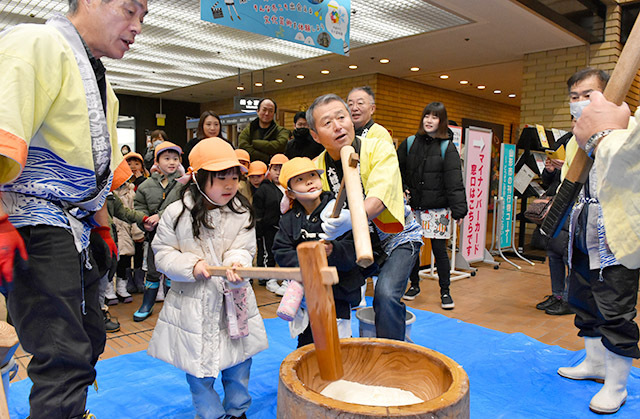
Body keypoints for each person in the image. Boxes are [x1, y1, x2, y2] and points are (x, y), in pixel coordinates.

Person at [0, 0, 148, 416]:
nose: (137, 26)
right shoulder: (33, 43)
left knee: (89, 337)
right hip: (29, 219)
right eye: (130, 10)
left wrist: (101, 228)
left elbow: (94, 176)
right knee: (61, 355)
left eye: (143, 18)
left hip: (76, 224)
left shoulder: (102, 82)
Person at [148, 137, 267, 419]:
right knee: (198, 372)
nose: (229, 185)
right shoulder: (176, 214)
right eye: (220, 177)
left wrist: (236, 263)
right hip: (192, 304)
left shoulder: (241, 212)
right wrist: (191, 266)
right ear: (198, 178)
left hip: (234, 301)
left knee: (239, 364)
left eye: (235, 177)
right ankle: (211, 415)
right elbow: (162, 253)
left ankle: (237, 412)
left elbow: (244, 247)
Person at [555, 70, 640, 414]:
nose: (578, 102)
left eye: (587, 94)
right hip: (582, 231)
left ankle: (617, 385)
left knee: (615, 310)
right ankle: (594, 364)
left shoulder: (630, 129)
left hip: (616, 235)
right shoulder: (576, 136)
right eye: (573, 96)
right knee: (583, 299)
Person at [308, 93, 423, 341]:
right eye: (327, 123)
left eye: (342, 117)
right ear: (315, 135)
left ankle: (392, 355)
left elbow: (379, 198)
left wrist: (351, 217)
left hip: (397, 238)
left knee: (386, 295)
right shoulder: (316, 166)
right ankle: (338, 353)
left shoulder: (379, 148)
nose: (338, 126)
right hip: (352, 244)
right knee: (328, 292)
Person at [273, 157, 364, 346]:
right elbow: (281, 251)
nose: (309, 181)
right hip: (307, 293)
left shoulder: (338, 212)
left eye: (312, 175)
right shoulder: (289, 219)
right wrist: (308, 263)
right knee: (307, 344)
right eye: (299, 179)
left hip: (337, 292)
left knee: (338, 344)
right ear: (290, 192)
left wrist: (333, 250)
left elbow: (353, 249)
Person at [397, 102, 468, 309]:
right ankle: (414, 285)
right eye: (427, 116)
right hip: (413, 208)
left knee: (439, 251)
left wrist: (459, 209)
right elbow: (396, 169)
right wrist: (402, 187)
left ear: (441, 121)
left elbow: (454, 181)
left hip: (437, 209)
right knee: (412, 248)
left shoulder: (447, 147)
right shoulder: (410, 143)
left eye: (435, 117)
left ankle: (445, 291)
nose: (429, 120)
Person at [133, 141, 184, 322]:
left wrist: (161, 215)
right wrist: (144, 222)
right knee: (153, 270)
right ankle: (147, 303)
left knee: (173, 271)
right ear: (157, 161)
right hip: (154, 236)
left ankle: (173, 305)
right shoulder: (146, 186)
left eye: (175, 158)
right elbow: (139, 207)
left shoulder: (182, 185)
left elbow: (184, 205)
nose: (171, 162)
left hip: (178, 236)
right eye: (167, 158)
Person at [253, 153, 289, 293]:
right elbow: (258, 210)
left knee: (282, 253)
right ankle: (269, 279)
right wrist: (259, 228)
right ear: (269, 170)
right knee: (268, 252)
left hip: (284, 228)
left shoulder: (288, 187)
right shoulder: (264, 189)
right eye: (275, 169)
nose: (278, 172)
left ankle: (283, 278)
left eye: (282, 169)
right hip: (268, 227)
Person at [238, 98, 290, 164]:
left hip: (274, 169)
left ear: (274, 114)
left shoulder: (281, 131)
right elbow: (243, 146)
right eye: (264, 110)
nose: (267, 113)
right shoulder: (248, 130)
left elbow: (279, 146)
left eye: (271, 111)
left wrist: (254, 143)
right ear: (258, 111)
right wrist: (267, 157)